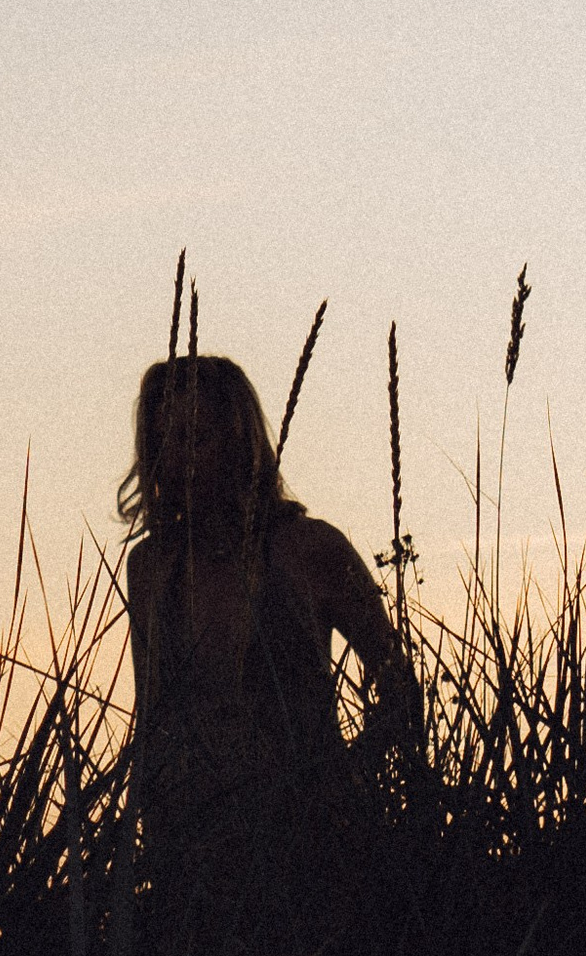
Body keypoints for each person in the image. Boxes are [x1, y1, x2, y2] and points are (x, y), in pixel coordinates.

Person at [118, 351, 420, 859]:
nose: (180, 460)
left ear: (240, 442)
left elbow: (401, 693)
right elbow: (154, 717)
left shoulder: (309, 549)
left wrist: (340, 784)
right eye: (164, 441)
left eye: (197, 438)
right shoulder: (151, 567)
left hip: (309, 842)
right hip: (195, 846)